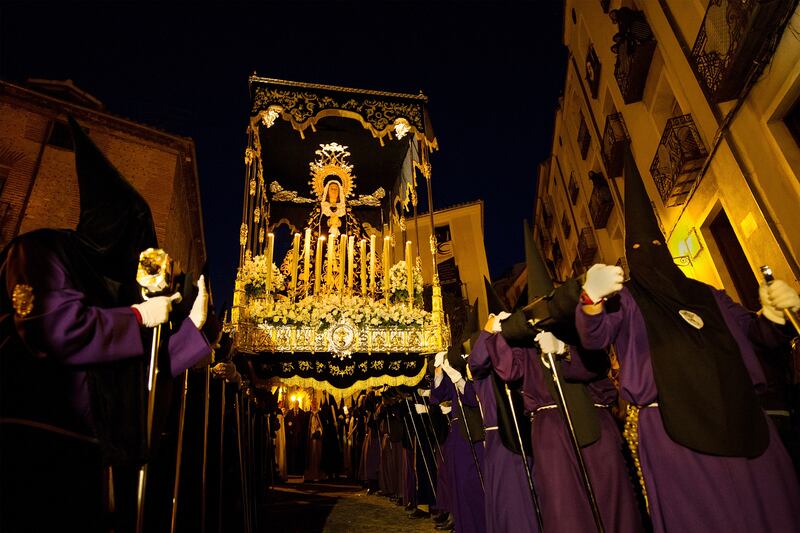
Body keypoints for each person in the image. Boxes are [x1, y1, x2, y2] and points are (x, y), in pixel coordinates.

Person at [0, 116, 211, 533]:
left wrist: (194, 327)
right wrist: (136, 317)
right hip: (30, 442)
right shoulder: (39, 250)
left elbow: (141, 368)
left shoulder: (106, 288)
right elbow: (55, 329)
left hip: (90, 450)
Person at [575, 149, 800, 532]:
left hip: (741, 414)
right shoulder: (627, 299)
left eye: (656, 248)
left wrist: (776, 315)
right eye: (637, 252)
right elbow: (594, 336)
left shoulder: (710, 293)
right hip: (673, 432)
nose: (649, 256)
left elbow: (757, 334)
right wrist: (591, 299)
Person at [484, 220, 644, 533]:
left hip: (594, 421)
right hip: (550, 433)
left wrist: (564, 351)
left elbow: (597, 366)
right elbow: (508, 370)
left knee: (611, 498)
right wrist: (497, 335)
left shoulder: (578, 328)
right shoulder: (523, 342)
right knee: (564, 506)